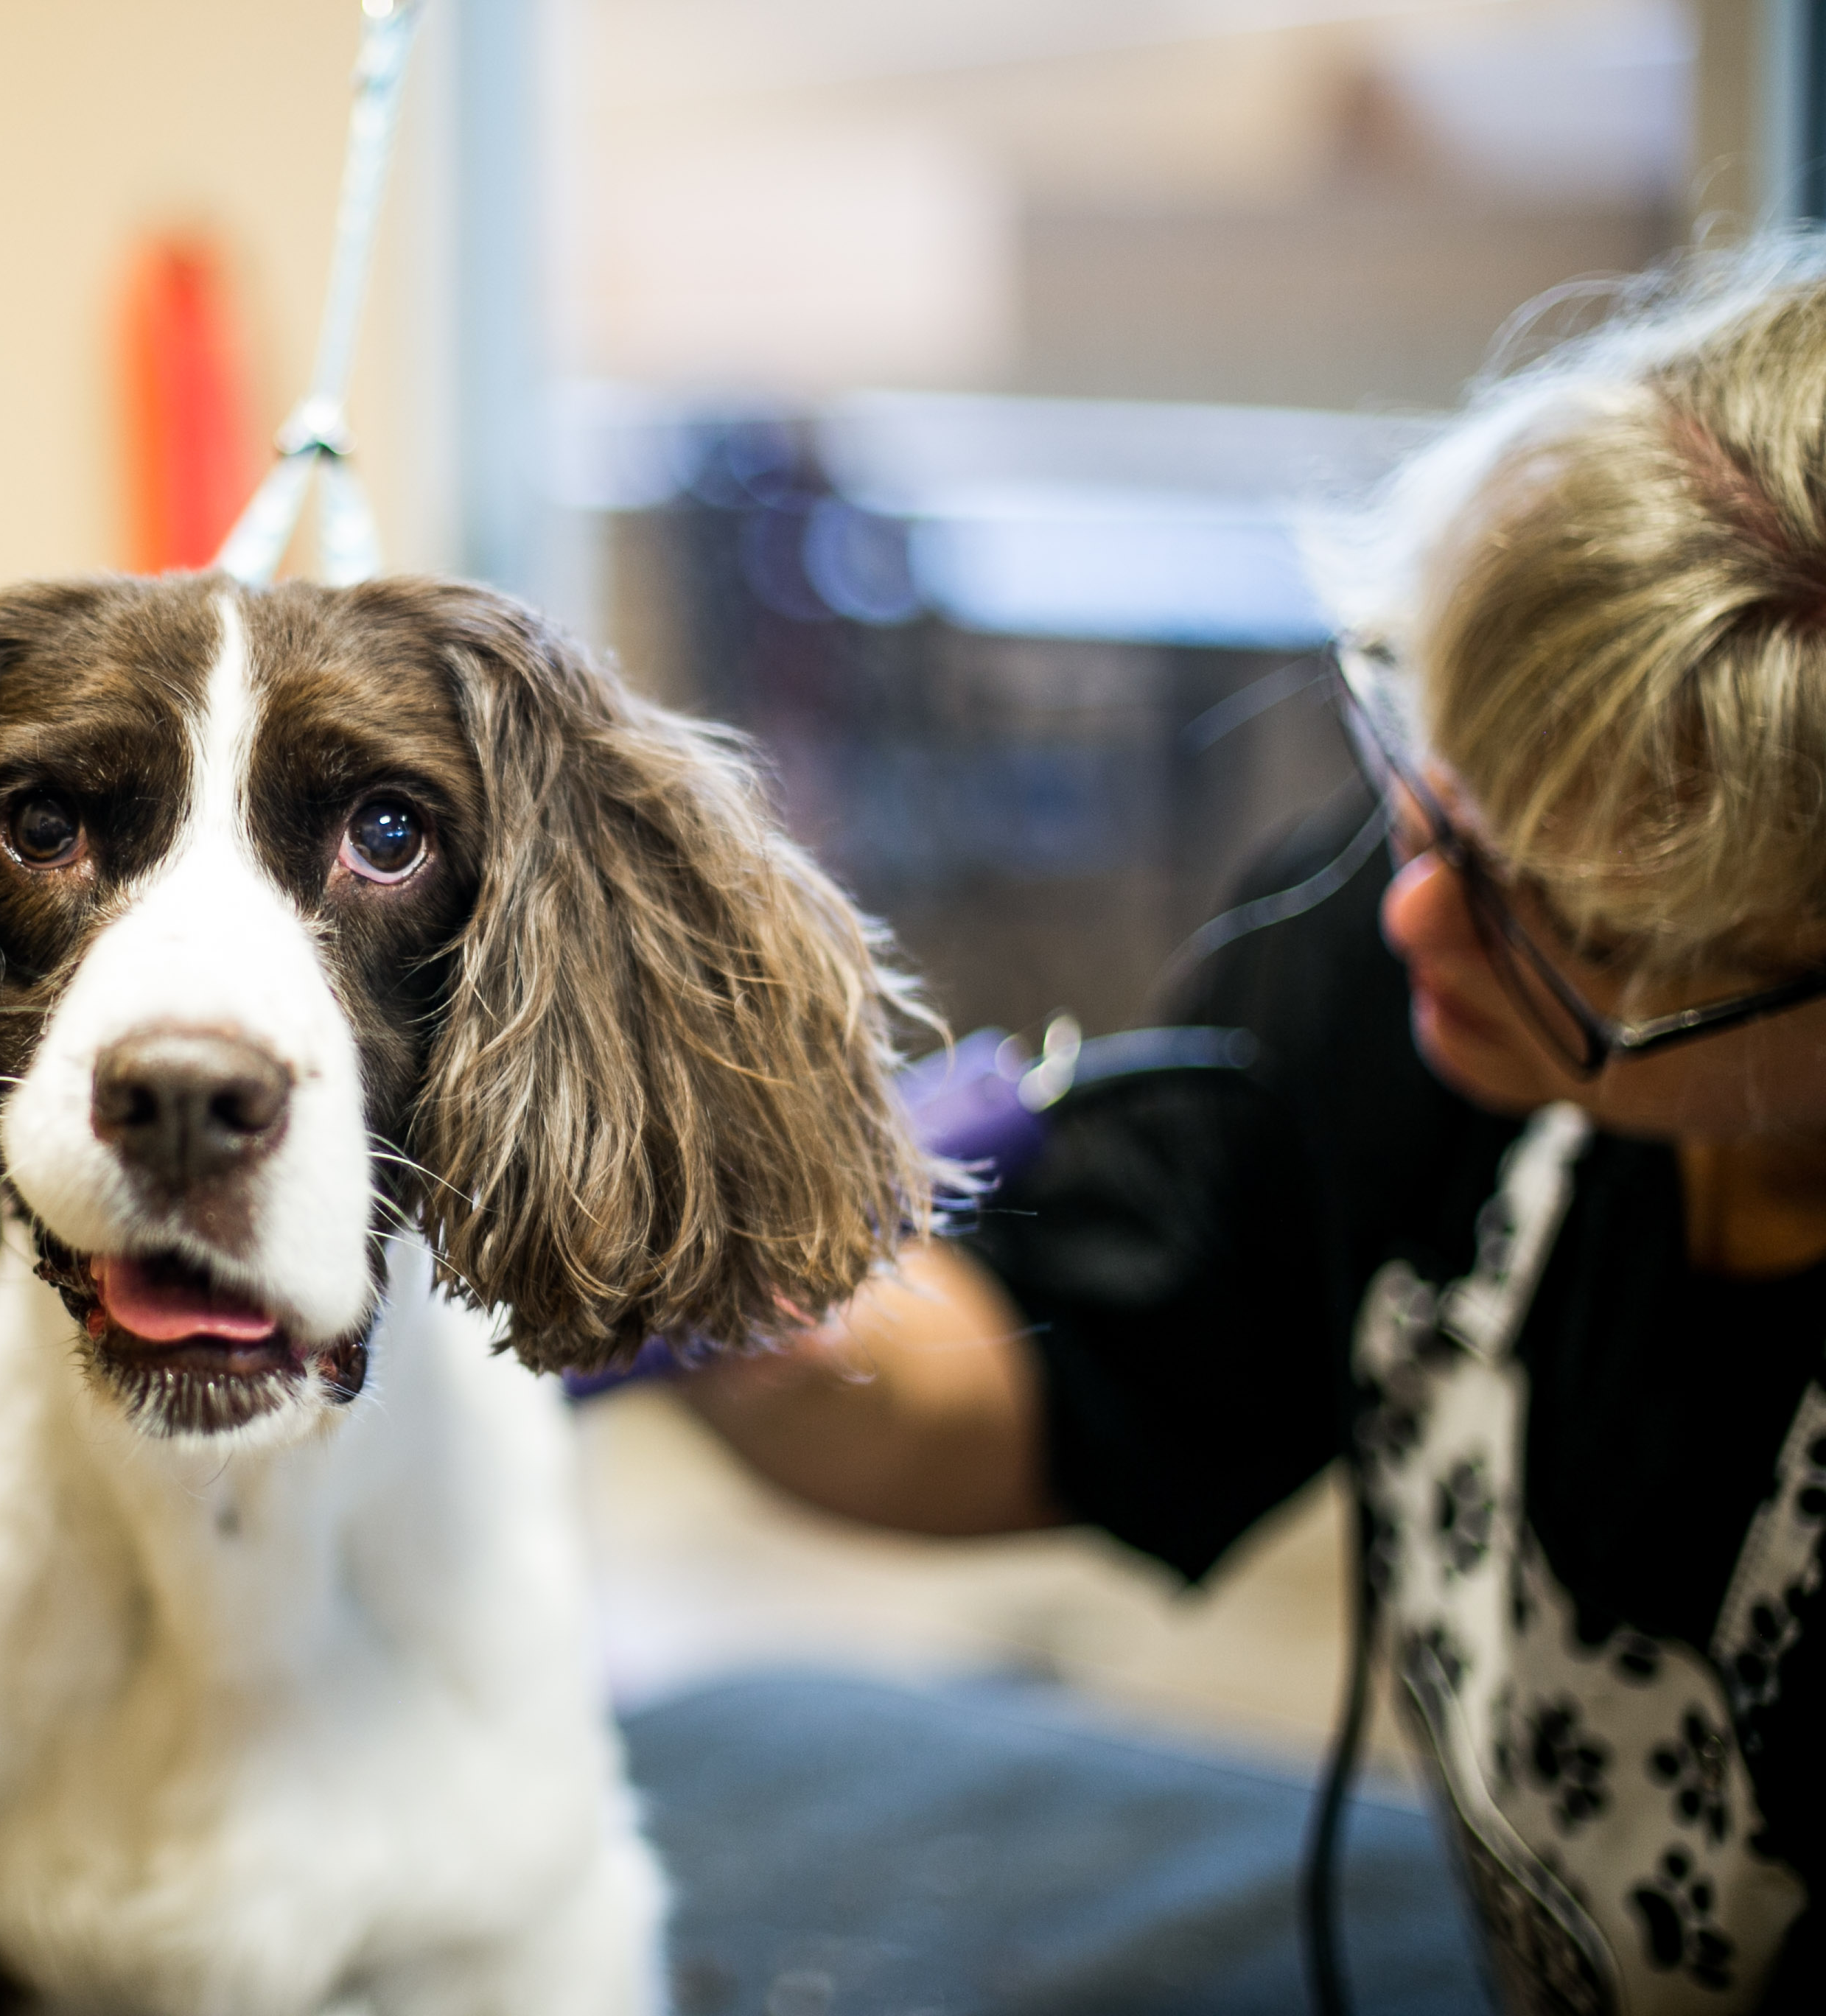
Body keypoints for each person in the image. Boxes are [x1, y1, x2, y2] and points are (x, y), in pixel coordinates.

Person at [684, 239, 1826, 2015]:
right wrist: (729, 1288)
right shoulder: (1414, 980)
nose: (1413, 924)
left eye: (1574, 925)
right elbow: (1088, 1369)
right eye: (1429, 798)